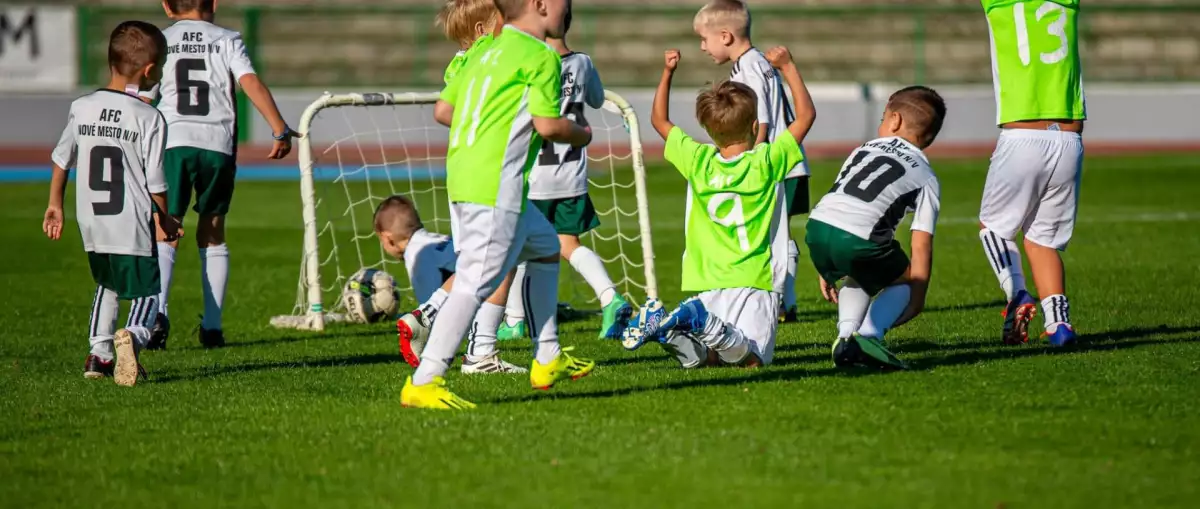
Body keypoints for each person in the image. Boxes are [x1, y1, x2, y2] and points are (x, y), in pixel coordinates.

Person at [401, 0, 594, 409]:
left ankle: (548, 356)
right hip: (496, 185)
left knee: (544, 248)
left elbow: (444, 110)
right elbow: (547, 125)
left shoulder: (481, 50)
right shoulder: (540, 54)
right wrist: (581, 133)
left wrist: (489, 127)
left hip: (465, 175)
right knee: (473, 282)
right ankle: (425, 379)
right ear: (539, 4)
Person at [622, 45, 815, 369]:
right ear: (756, 126)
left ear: (708, 130)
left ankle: (672, 333)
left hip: (707, 279)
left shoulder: (697, 160)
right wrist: (788, 66)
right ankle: (701, 322)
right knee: (753, 361)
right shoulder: (766, 162)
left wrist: (668, 72)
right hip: (753, 278)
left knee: (712, 359)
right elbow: (806, 116)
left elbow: (659, 121)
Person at [143, 0, 299, 349]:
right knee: (212, 229)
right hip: (217, 145)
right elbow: (250, 82)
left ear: (167, 7)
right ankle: (212, 327)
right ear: (214, 4)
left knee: (166, 227)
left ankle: (157, 316)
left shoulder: (161, 41)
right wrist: (278, 127)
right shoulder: (227, 38)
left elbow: (143, 96)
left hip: (173, 144)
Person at [43, 21, 182, 386]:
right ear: (150, 71)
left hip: (92, 220)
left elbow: (62, 159)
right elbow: (156, 182)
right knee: (148, 292)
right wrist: (163, 219)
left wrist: (55, 204)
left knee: (107, 284)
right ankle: (132, 338)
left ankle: (98, 354)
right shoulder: (150, 117)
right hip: (130, 221)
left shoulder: (82, 106)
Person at [501, 7, 633, 342]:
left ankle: (515, 320)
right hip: (571, 174)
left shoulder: (529, 61)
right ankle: (609, 297)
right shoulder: (583, 63)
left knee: (516, 248)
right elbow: (598, 99)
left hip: (533, 177)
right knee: (568, 243)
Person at [806, 86, 946, 370]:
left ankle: (845, 338)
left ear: (894, 121)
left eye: (883, 117)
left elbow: (839, 197)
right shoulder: (926, 175)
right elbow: (921, 242)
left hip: (817, 228)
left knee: (862, 272)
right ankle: (869, 337)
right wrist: (917, 295)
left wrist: (827, 264)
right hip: (857, 238)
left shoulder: (864, 148)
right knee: (906, 278)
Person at [693, 0, 810, 323]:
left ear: (726, 36)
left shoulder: (750, 66)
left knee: (771, 236)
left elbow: (762, 120)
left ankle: (781, 301)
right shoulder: (750, 63)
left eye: (705, 39)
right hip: (778, 162)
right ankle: (786, 301)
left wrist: (751, 159)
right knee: (775, 234)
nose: (703, 47)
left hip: (773, 164)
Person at [977, 0, 1084, 347]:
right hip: (1070, 138)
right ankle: (1059, 326)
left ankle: (1017, 292)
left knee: (993, 228)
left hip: (1022, 134)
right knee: (1042, 241)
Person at [375, 196, 526, 374]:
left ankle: (424, 316)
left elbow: (440, 308)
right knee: (510, 250)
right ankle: (516, 318)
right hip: (500, 293)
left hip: (487, 295)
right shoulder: (433, 240)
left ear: (388, 239)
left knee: (499, 254)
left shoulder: (417, 256)